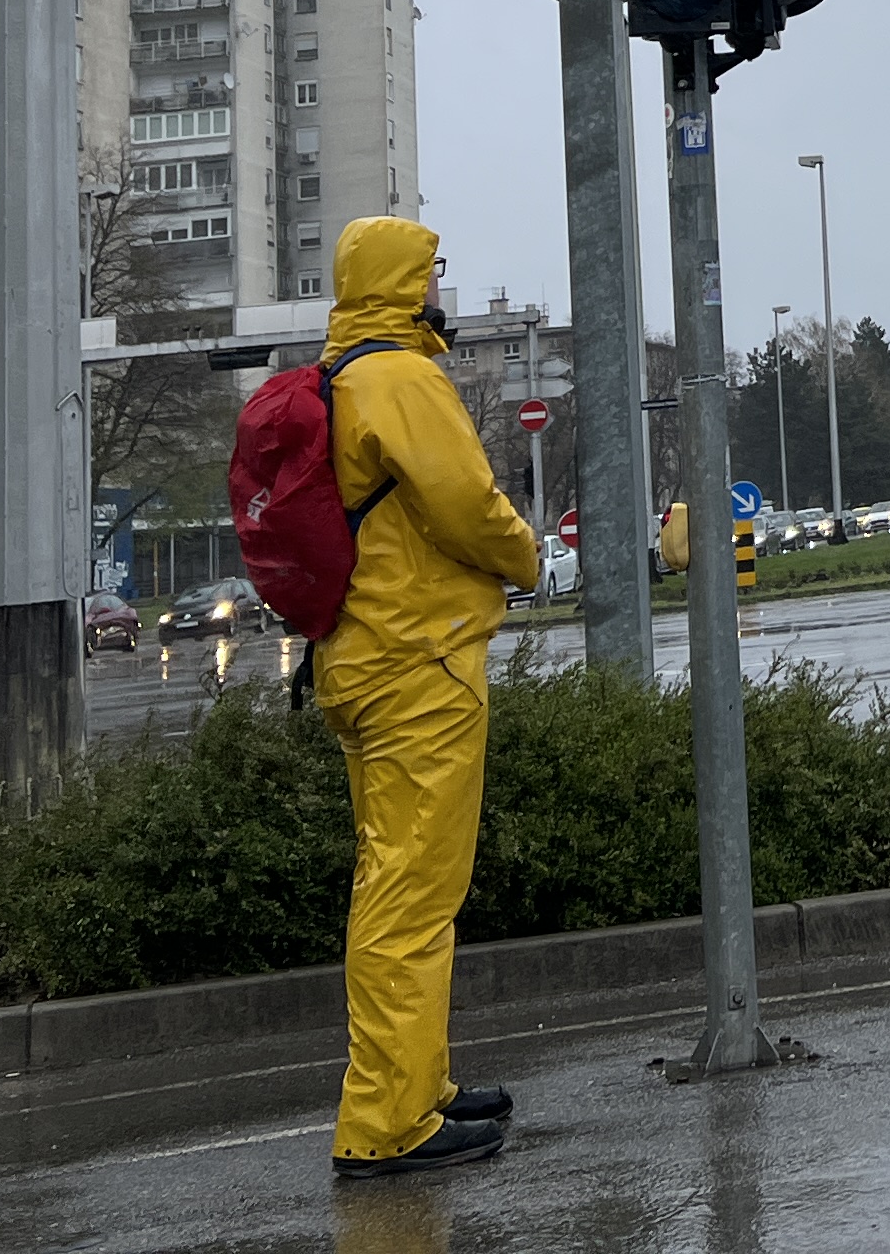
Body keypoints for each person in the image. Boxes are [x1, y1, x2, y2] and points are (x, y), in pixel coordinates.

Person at [317, 214, 541, 1179]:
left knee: (398, 882)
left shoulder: (340, 375)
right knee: (411, 893)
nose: (441, 283)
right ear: (405, 282)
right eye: (432, 270)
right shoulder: (399, 378)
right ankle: (384, 1121)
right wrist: (526, 558)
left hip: (364, 658)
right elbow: (466, 501)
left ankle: (419, 1086)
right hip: (420, 662)